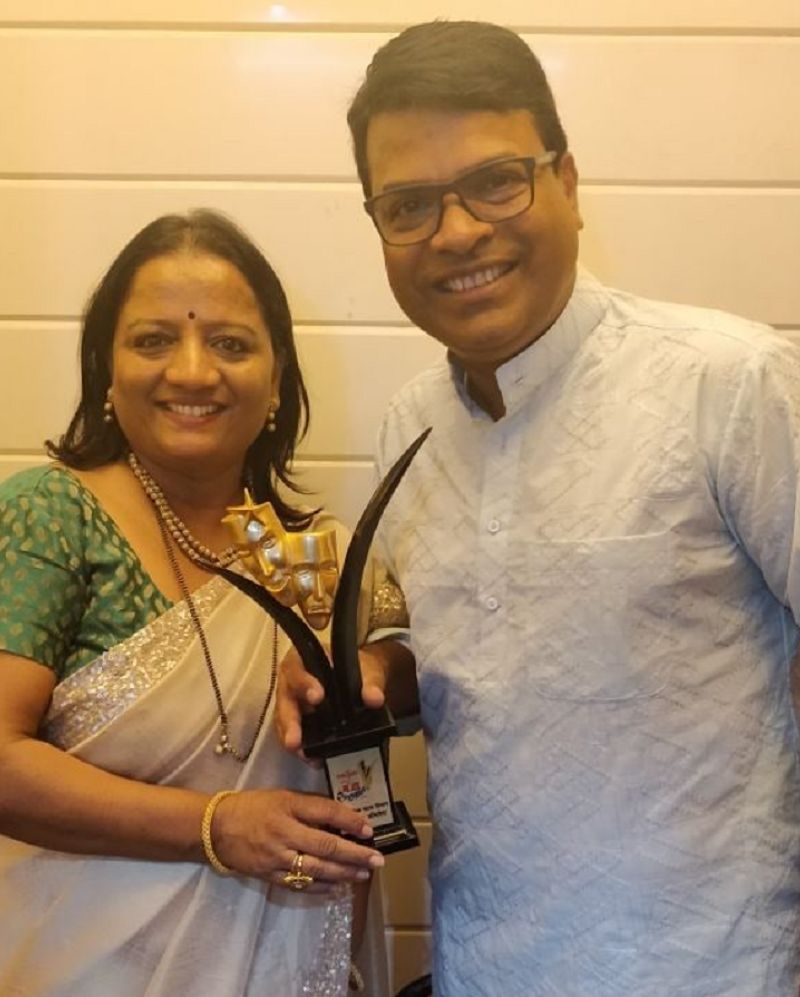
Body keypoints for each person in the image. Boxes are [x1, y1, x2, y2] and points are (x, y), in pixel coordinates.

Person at [278, 20, 800, 997]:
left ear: (565, 179)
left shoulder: (729, 385)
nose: (458, 230)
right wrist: (360, 679)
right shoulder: (410, 430)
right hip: (484, 960)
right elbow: (470, 674)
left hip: (712, 967)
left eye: (495, 181)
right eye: (409, 204)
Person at [0, 209, 393, 996]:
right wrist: (217, 825)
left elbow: (394, 675)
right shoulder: (51, 513)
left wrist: (370, 662)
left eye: (231, 343)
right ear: (105, 371)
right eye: (153, 339)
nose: (191, 371)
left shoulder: (318, 554)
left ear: (277, 379)